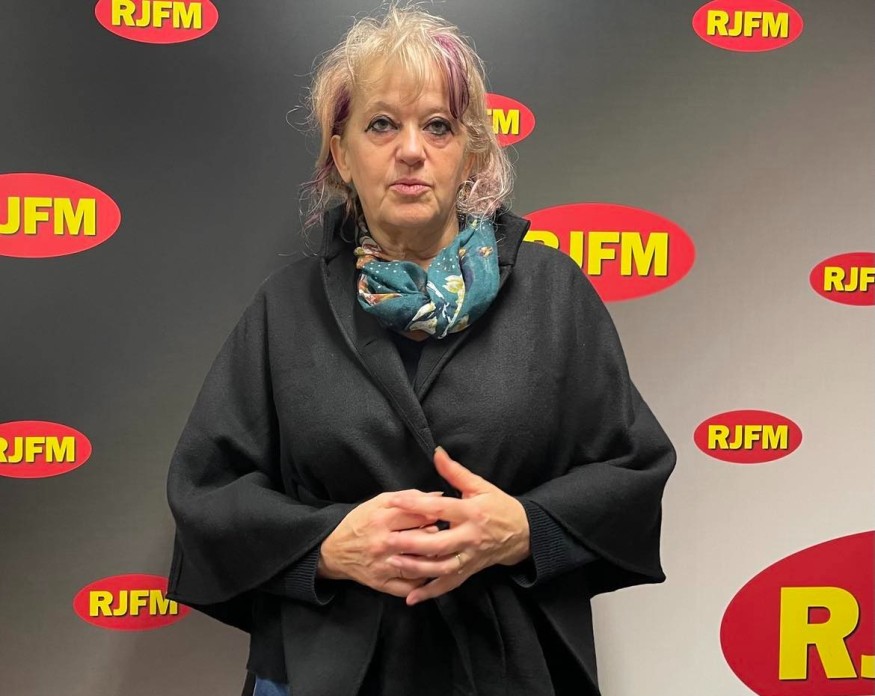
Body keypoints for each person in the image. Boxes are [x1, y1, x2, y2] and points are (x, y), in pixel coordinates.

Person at [165, 6, 676, 696]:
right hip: (327, 671)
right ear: (342, 154)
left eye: (437, 125)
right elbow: (206, 495)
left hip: (508, 668)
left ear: (471, 153)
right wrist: (326, 546)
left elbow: (634, 471)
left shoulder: (552, 293)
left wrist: (526, 527)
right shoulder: (284, 309)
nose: (411, 150)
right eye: (381, 124)